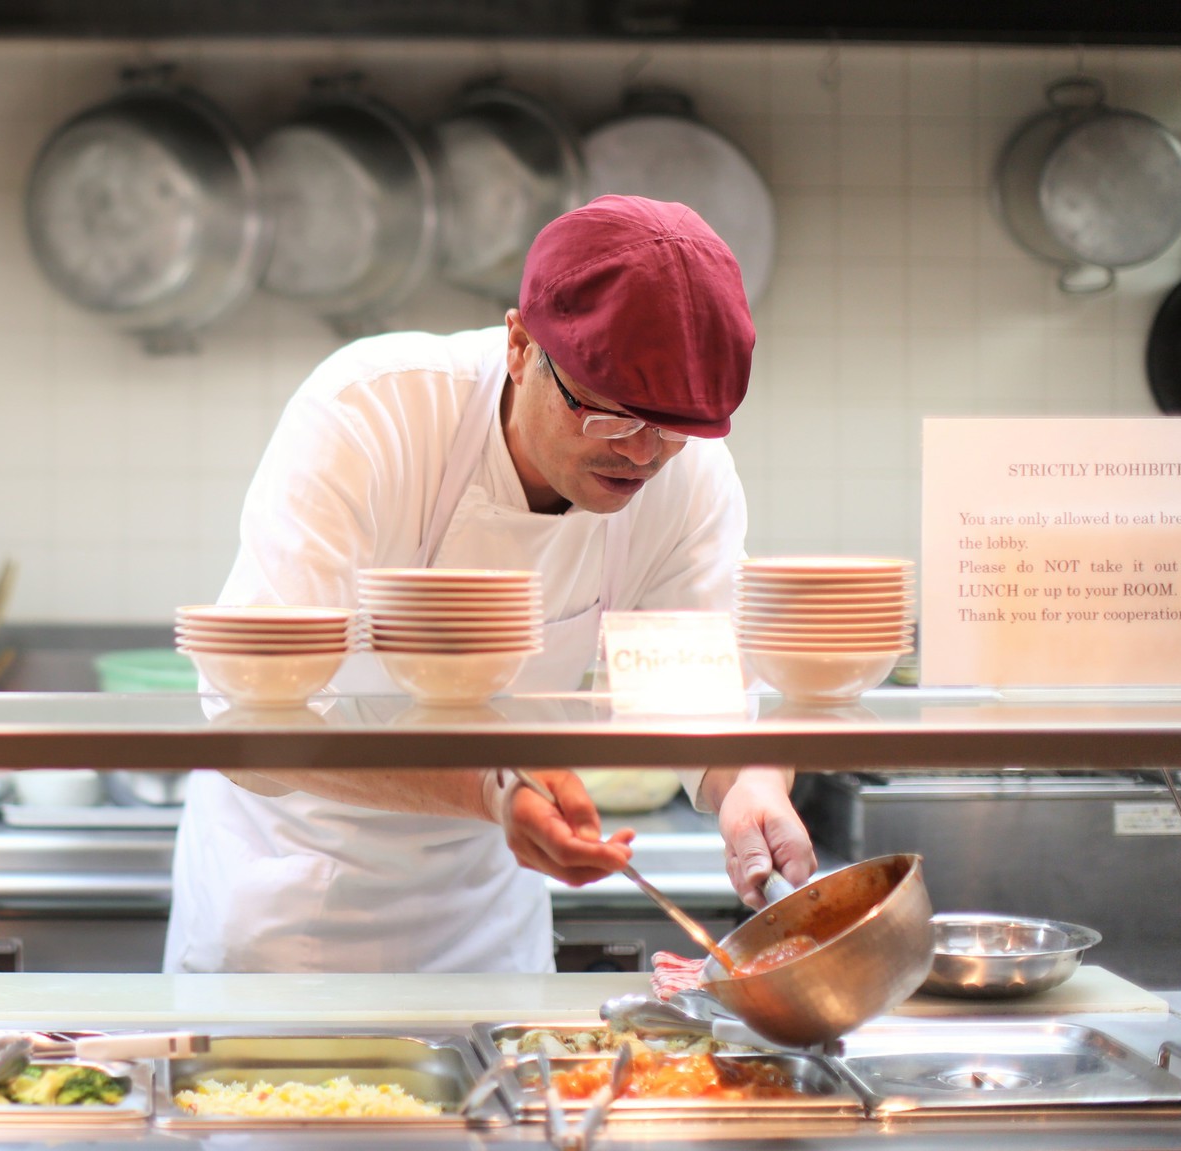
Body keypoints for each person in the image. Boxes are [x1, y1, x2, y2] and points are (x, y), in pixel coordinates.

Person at [165, 195, 817, 975]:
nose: (643, 455)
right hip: (293, 891)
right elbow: (249, 725)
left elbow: (700, 706)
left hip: (488, 906)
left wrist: (751, 791)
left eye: (673, 429)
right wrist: (489, 790)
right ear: (518, 345)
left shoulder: (687, 474)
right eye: (609, 417)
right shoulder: (372, 412)